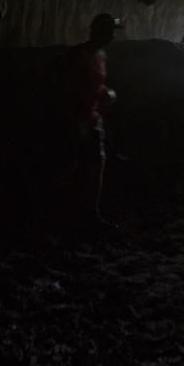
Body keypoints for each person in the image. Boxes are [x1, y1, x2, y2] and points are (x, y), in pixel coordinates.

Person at [58, 12, 122, 228]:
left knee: (97, 165)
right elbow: (66, 88)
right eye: (110, 31)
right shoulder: (78, 55)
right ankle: (64, 214)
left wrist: (106, 93)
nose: (113, 36)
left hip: (93, 118)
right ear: (99, 32)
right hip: (77, 119)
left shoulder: (101, 56)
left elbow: (97, 85)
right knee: (71, 166)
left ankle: (90, 213)